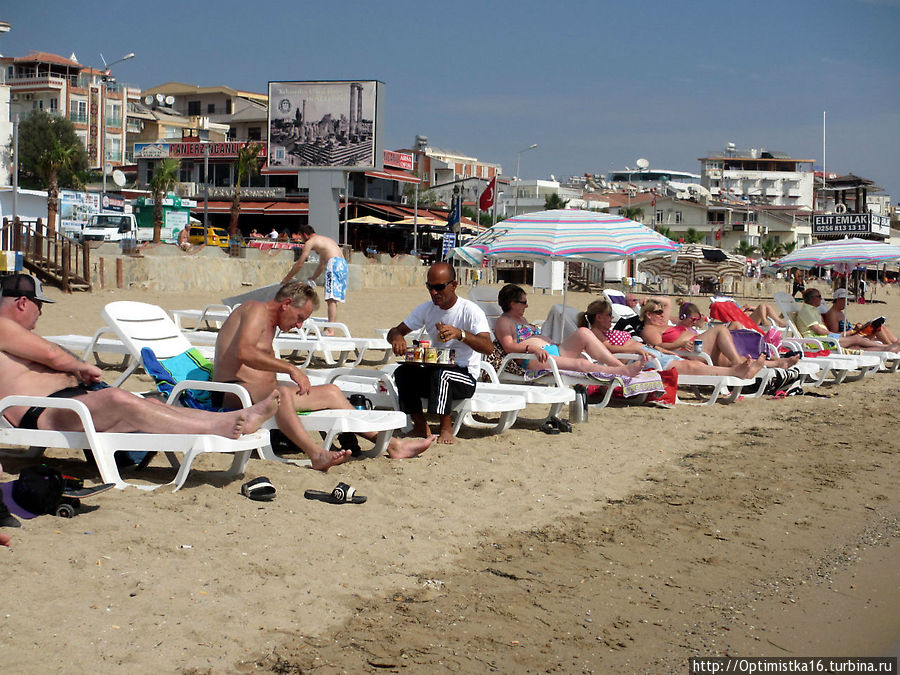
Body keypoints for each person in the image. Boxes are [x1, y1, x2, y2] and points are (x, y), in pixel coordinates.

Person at [0, 273, 279, 445]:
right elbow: (51, 355)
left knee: (150, 404)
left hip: (70, 402)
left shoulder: (13, 338)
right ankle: (218, 425)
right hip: (46, 413)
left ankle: (235, 416)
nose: (40, 314)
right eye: (39, 306)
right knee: (118, 400)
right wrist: (80, 366)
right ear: (23, 303)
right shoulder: (1, 325)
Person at [214, 281, 434, 468]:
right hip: (235, 395)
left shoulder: (269, 323)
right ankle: (315, 453)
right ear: (287, 304)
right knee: (282, 393)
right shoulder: (255, 309)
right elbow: (244, 351)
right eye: (299, 318)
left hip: (266, 396)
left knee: (331, 392)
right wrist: (291, 368)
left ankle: (391, 444)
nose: (299, 325)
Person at [387, 263, 493, 445]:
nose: (434, 292)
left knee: (441, 374)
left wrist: (461, 335)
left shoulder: (470, 311)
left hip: (465, 376)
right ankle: (420, 425)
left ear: (454, 285)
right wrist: (397, 338)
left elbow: (488, 347)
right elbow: (395, 331)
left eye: (439, 287)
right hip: (436, 370)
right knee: (403, 372)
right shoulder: (426, 309)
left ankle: (446, 427)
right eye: (430, 287)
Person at [579, 299, 766, 379]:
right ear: (598, 317)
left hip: (651, 354)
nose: (612, 318)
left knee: (697, 366)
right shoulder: (594, 333)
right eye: (609, 315)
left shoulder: (606, 332)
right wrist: (636, 350)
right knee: (692, 367)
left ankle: (739, 369)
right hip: (643, 360)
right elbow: (605, 351)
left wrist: (660, 349)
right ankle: (736, 372)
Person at [493, 284, 647, 379]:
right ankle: (620, 371)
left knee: (583, 332)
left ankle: (618, 366)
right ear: (512, 303)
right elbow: (508, 347)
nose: (527, 306)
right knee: (581, 363)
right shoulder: (504, 322)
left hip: (550, 351)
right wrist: (532, 347)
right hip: (533, 359)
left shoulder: (522, 320)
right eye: (524, 302)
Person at [641, 299, 797, 368]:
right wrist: (680, 344)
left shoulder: (665, 323)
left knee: (735, 327)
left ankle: (776, 360)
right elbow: (658, 348)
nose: (663, 314)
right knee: (720, 329)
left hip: (698, 344)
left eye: (662, 311)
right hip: (687, 350)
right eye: (658, 312)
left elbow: (668, 302)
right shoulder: (650, 329)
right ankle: (738, 363)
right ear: (648, 314)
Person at [280, 224, 348, 332]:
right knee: (333, 300)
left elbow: (300, 263)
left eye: (301, 238)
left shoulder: (310, 242)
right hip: (343, 265)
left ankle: (330, 330)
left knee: (331, 299)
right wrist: (312, 278)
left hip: (334, 264)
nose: (302, 241)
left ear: (305, 235)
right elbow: (321, 265)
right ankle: (330, 326)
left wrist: (287, 278)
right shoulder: (324, 241)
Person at [804, 288, 900, 351]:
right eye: (846, 300)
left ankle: (894, 344)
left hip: (849, 335)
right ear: (839, 299)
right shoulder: (832, 314)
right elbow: (834, 332)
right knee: (877, 327)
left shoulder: (839, 312)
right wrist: (854, 331)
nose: (848, 303)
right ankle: (891, 347)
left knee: (880, 325)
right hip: (844, 338)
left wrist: (857, 327)